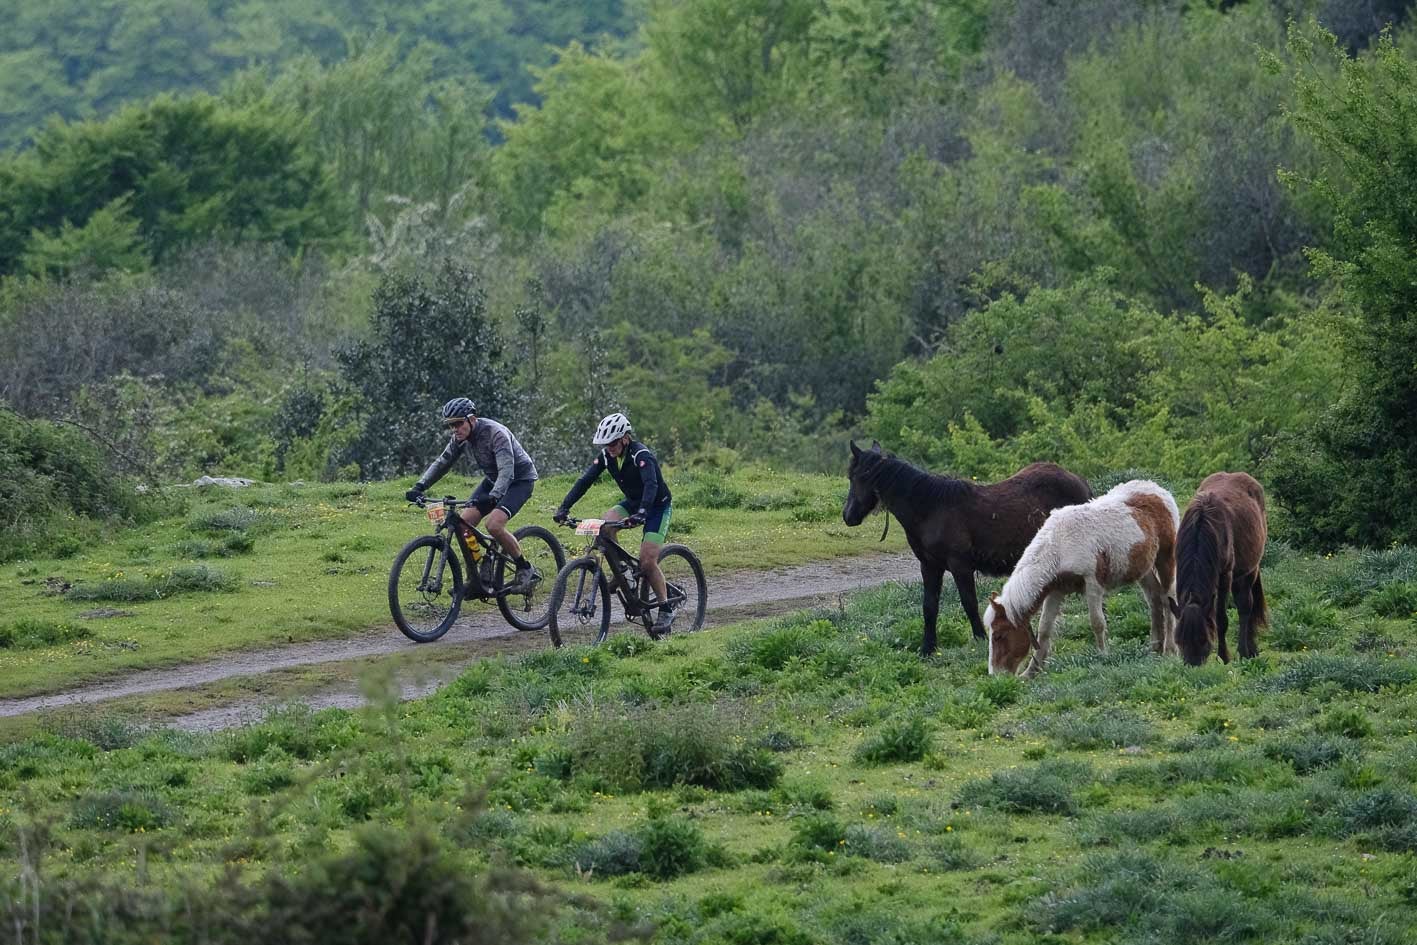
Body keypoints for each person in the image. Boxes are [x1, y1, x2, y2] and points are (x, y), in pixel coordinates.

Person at [554, 412, 676, 636]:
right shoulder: (606, 456)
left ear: (625, 439)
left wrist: (642, 513)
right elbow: (585, 481)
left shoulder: (641, 455)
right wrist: (564, 507)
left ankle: (666, 608)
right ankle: (623, 572)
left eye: (612, 443)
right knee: (606, 523)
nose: (608, 447)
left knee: (647, 561)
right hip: (633, 503)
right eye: (605, 444)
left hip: (657, 506)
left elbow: (651, 484)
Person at [405, 398, 541, 594]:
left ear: (472, 419)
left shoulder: (496, 434)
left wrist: (494, 496)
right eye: (451, 425)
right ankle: (476, 579)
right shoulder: (461, 437)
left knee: (493, 524)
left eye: (459, 423)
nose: (455, 429)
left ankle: (525, 568)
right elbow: (443, 462)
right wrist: (420, 486)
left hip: (519, 480)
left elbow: (506, 471)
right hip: (493, 479)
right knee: (462, 525)